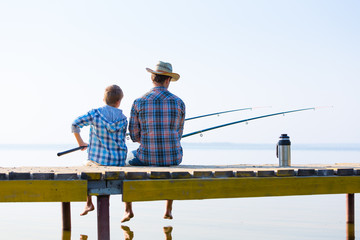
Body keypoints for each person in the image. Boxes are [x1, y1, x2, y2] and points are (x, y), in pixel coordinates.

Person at [122, 61, 185, 223]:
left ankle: (128, 210)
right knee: (169, 164)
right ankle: (168, 210)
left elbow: (134, 136)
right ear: (168, 80)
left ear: (152, 78)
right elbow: (178, 134)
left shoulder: (139, 102)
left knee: (125, 160)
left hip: (146, 157)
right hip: (174, 157)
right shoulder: (179, 103)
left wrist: (148, 138)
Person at [71, 84, 128, 216]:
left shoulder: (95, 114)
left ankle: (88, 203)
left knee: (85, 167)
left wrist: (81, 142)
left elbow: (75, 124)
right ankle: (127, 209)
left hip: (99, 161)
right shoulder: (124, 119)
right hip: (118, 161)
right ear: (119, 102)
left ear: (104, 99)